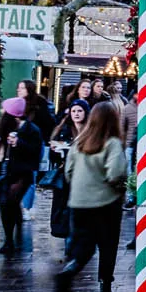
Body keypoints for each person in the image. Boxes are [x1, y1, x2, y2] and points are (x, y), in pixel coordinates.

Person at [55, 101, 125, 292]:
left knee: (84, 247)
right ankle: (105, 290)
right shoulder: (112, 143)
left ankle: (69, 270)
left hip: (78, 202)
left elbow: (68, 172)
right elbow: (116, 173)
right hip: (106, 203)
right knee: (107, 247)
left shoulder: (79, 142)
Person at [0, 98, 42, 255]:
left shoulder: (32, 130)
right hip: (4, 171)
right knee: (6, 204)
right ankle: (14, 230)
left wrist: (18, 143)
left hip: (22, 173)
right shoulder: (5, 128)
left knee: (9, 202)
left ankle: (9, 240)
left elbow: (36, 152)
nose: (2, 113)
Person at [50, 100, 88, 243]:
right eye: (74, 111)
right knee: (65, 206)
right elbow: (53, 156)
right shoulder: (63, 131)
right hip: (66, 175)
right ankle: (69, 240)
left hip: (84, 175)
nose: (76, 114)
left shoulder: (90, 131)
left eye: (80, 111)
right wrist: (57, 151)